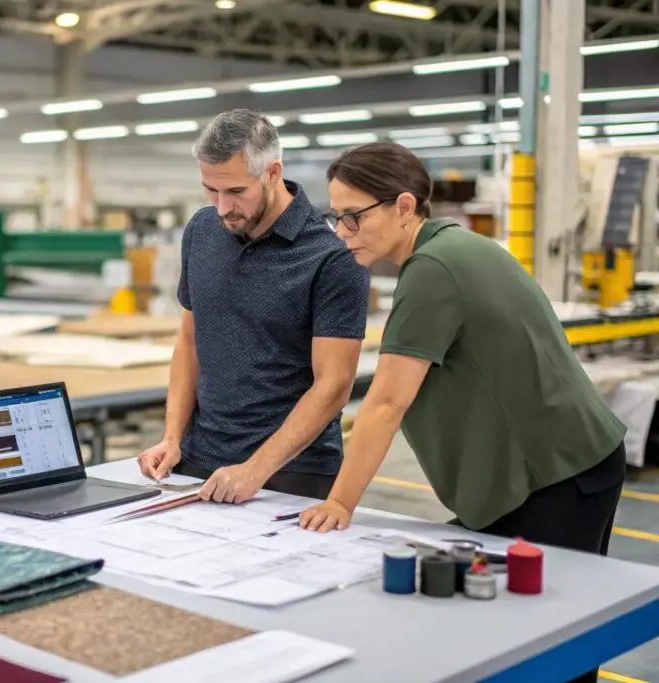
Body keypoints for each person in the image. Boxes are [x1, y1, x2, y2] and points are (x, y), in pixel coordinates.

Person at [302, 142, 625, 576]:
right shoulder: (461, 247)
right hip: (580, 460)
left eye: (353, 216)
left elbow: (385, 403)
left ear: (403, 206)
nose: (341, 232)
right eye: (335, 217)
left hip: (554, 476)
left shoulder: (432, 271)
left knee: (542, 616)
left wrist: (339, 502)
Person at [137, 109, 370, 503]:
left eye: (236, 192)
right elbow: (190, 342)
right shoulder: (202, 230)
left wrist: (254, 471)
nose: (223, 206)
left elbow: (333, 386)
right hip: (200, 460)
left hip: (293, 472)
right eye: (211, 190)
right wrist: (172, 438)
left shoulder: (332, 257)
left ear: (273, 173)